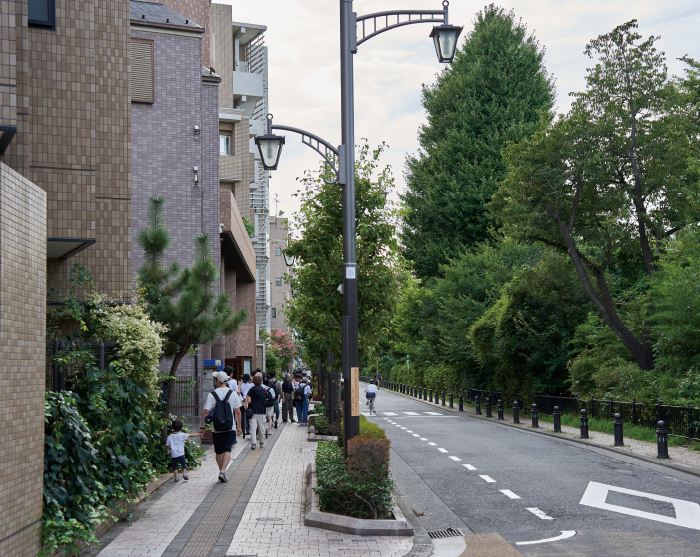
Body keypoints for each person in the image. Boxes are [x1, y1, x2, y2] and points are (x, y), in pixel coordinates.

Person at [201, 371, 242, 483]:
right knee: (227, 449)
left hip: (216, 428)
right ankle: (223, 471)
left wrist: (202, 427)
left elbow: (206, 411)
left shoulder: (212, 394)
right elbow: (238, 411)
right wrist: (239, 426)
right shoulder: (233, 393)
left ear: (218, 381)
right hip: (230, 427)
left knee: (218, 452)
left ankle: (221, 471)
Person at [246, 374, 268, 449]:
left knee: (253, 428)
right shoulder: (264, 390)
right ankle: (262, 442)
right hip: (262, 411)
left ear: (253, 381)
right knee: (261, 427)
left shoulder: (251, 390)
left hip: (253, 411)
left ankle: (253, 444)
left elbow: (248, 401)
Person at [239, 373, 252, 437]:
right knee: (247, 414)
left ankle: (242, 428)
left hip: (241, 400)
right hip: (247, 400)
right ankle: (248, 428)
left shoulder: (240, 385)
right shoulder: (249, 385)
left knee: (241, 414)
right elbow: (247, 394)